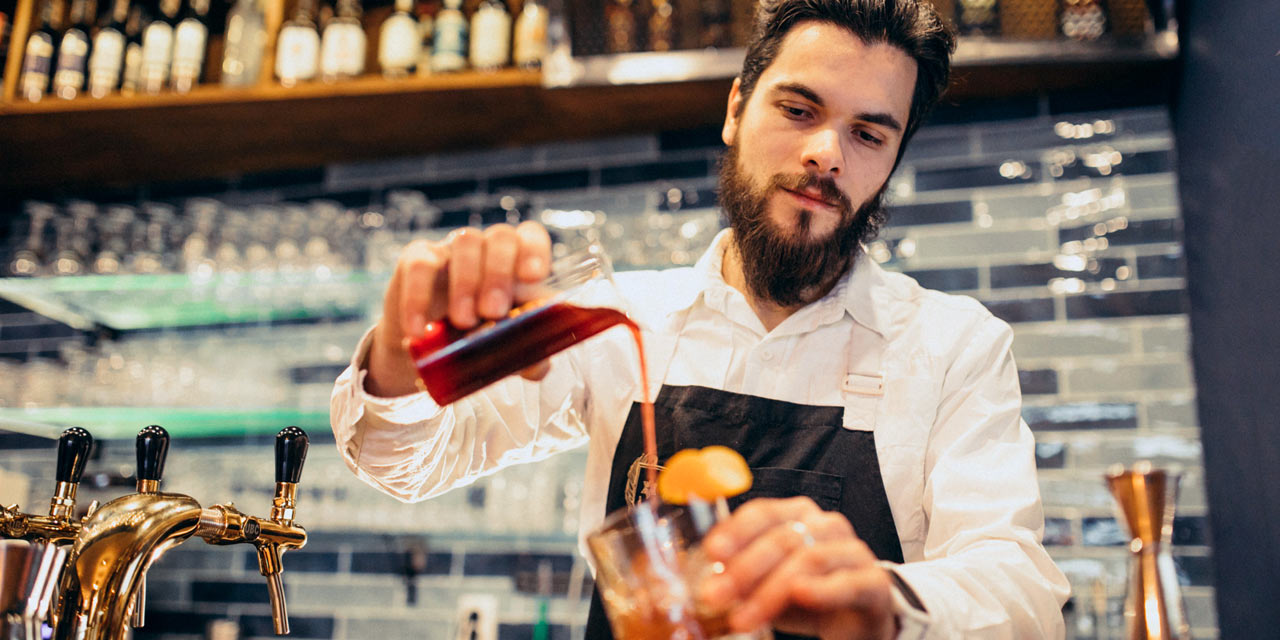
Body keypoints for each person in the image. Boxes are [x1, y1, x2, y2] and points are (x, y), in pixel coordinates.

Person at [330, 0, 1071, 637]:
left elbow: (1024, 596)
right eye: (799, 109)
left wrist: (887, 602)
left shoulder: (953, 346)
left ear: (892, 158)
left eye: (869, 134)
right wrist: (403, 369)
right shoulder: (617, 319)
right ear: (736, 109)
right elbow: (407, 463)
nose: (825, 154)